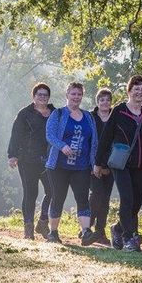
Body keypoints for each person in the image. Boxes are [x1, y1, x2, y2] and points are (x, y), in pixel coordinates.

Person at [95, 75, 142, 252]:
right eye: (136, 89)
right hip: (121, 164)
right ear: (129, 91)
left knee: (136, 204)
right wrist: (98, 163)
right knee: (127, 199)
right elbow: (106, 138)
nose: (139, 92)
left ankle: (117, 228)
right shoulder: (120, 111)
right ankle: (129, 238)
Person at [44, 82, 99, 245]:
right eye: (73, 94)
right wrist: (63, 146)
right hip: (58, 166)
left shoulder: (88, 117)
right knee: (58, 197)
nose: (76, 97)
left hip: (81, 166)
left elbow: (93, 141)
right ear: (67, 95)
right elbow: (50, 135)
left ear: (82, 96)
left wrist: (93, 162)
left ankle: (86, 232)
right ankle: (53, 233)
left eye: (79, 94)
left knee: (82, 198)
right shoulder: (58, 114)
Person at [8, 83, 55, 239]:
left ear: (49, 97)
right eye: (39, 94)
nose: (42, 97)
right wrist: (12, 155)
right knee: (31, 193)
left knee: (53, 191)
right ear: (33, 96)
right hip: (27, 159)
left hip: (48, 160)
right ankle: (28, 228)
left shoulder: (55, 113)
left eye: (45, 95)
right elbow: (16, 134)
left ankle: (42, 222)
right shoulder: (25, 114)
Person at [87, 87, 116, 244]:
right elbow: (87, 142)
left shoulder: (116, 117)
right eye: (102, 100)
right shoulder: (90, 118)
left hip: (111, 165)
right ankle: (86, 228)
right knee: (96, 194)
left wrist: (107, 167)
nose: (105, 102)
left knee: (105, 198)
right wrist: (94, 165)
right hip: (92, 165)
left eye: (108, 100)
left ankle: (100, 232)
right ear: (97, 102)